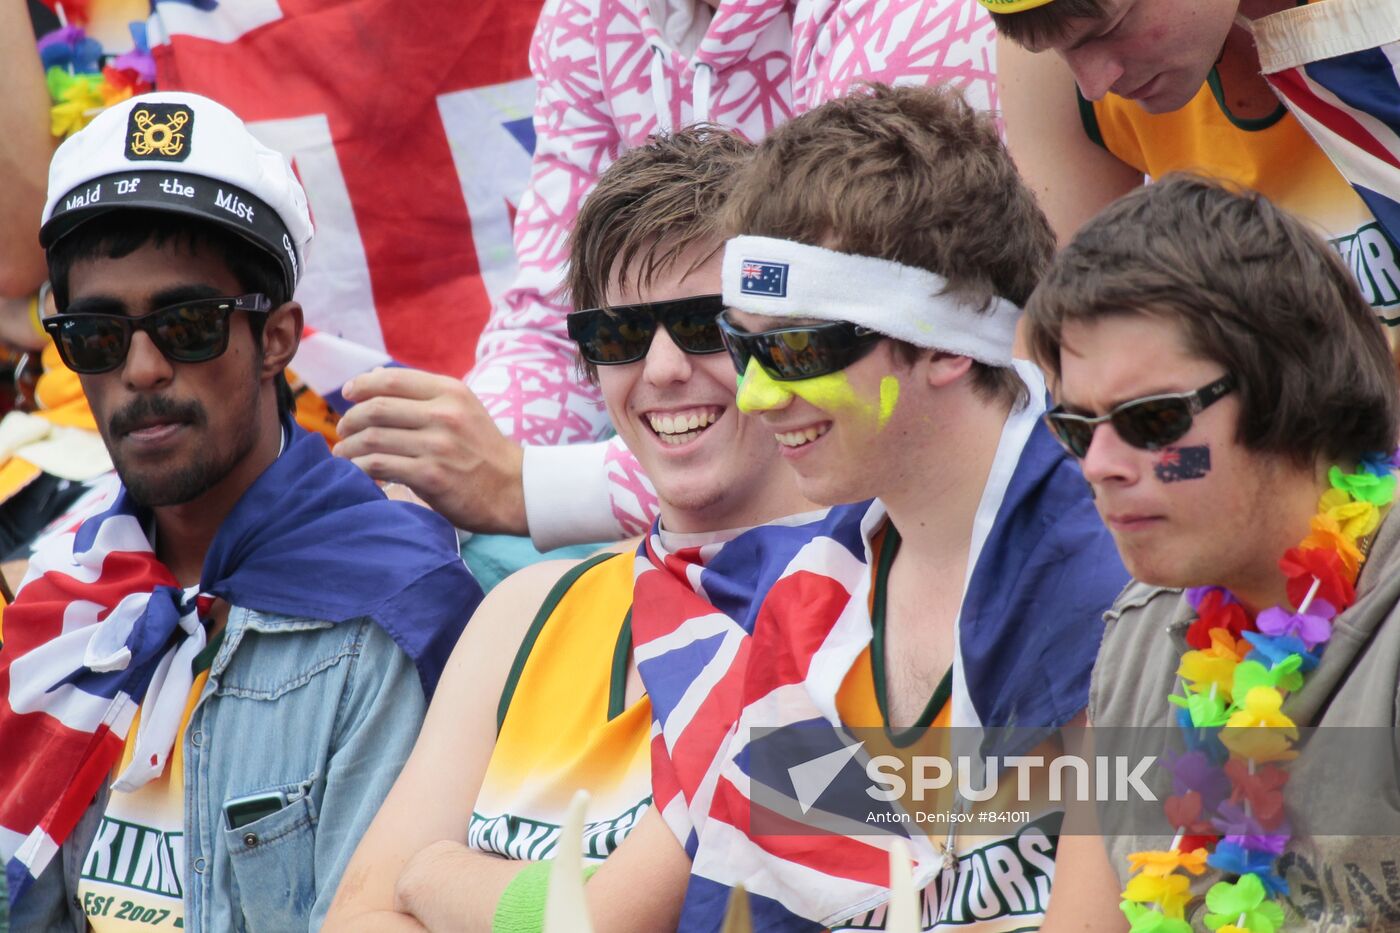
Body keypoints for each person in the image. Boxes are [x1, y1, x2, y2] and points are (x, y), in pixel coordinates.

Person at [629, 83, 1129, 929]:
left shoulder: (1111, 560)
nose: (754, 395)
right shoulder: (809, 593)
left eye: (791, 348)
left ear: (940, 347)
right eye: (743, 344)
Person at [0, 91, 482, 931]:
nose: (143, 369)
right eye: (99, 336)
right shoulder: (64, 589)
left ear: (278, 338)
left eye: (186, 324)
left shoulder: (400, 611)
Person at [326, 125, 817, 931]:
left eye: (703, 325)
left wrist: (438, 875)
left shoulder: (856, 595)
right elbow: (358, 916)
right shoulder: (528, 609)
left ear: (784, 340)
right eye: (619, 335)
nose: (661, 370)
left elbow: (603, 922)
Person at [335, 0, 1005, 554]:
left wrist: (524, 488)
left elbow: (861, 369)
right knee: (422, 563)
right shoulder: (588, 15)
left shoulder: (904, 11)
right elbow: (551, 324)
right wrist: (430, 477)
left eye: (706, 323)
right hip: (700, 484)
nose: (660, 364)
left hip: (912, 487)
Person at [1023, 174, 1400, 930]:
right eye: (1075, 427)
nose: (1099, 463)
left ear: (1289, 389)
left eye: (1150, 418)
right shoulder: (1139, 630)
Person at [989, 0, 1400, 325]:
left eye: (1112, 29)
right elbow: (1077, 339)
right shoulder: (1050, 59)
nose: (1095, 85)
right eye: (1059, 49)